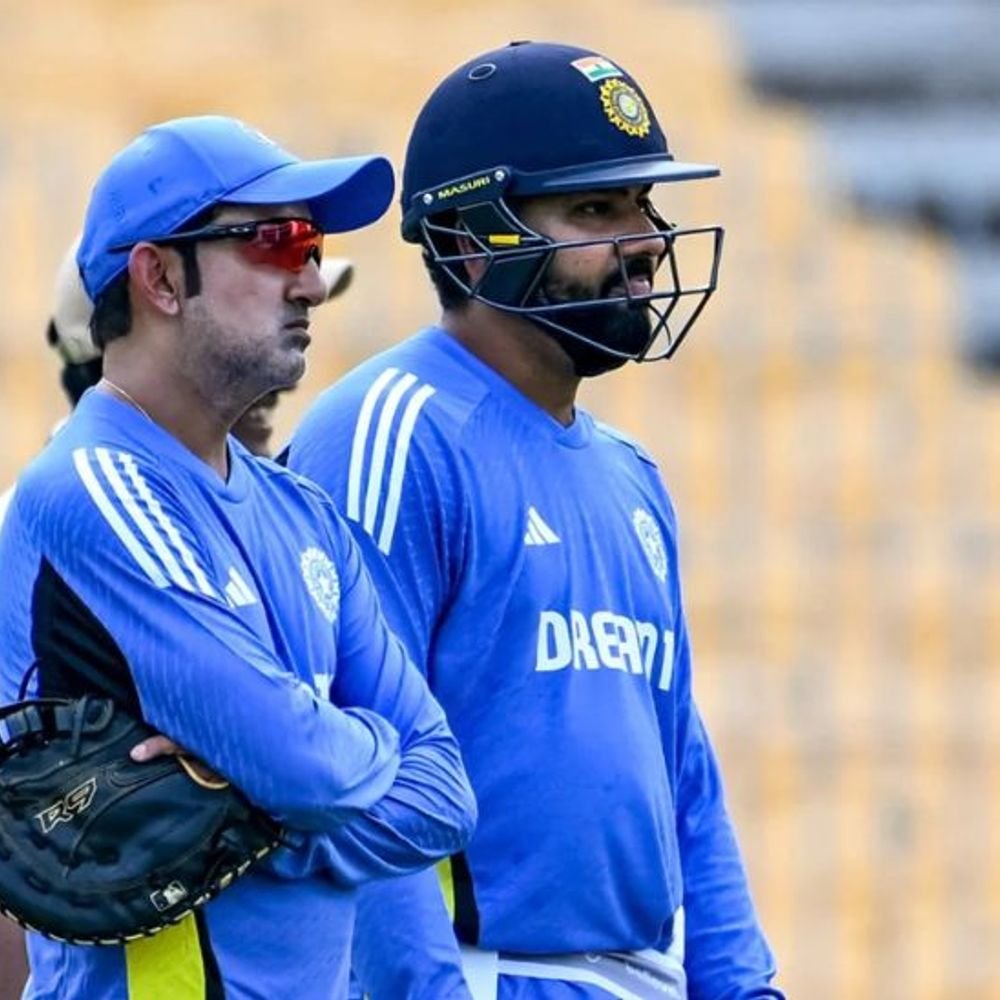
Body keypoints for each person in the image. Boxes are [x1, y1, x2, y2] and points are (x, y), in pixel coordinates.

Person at [284, 41, 782, 999]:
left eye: (642, 202)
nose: (646, 240)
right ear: (472, 241)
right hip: (487, 975)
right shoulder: (394, 431)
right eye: (595, 210)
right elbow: (356, 765)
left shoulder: (631, 475)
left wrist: (743, 985)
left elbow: (683, 771)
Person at [0, 114, 476, 999]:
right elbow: (299, 766)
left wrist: (247, 797)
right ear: (158, 278)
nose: (311, 282)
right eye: (275, 241)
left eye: (313, 248)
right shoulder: (92, 487)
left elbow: (446, 794)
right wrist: (322, 765)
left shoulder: (305, 514)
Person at [0, 238, 357, 999]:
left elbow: (427, 781)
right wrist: (293, 767)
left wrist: (269, 764)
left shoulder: (282, 517)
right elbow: (23, 827)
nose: (295, 314)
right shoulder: (42, 523)